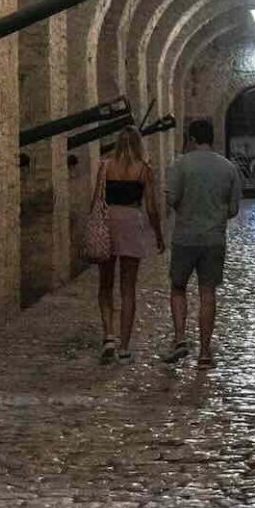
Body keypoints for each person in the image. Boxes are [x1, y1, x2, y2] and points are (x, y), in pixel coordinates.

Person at [163, 118, 244, 365]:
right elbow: (233, 209)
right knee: (207, 293)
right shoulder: (228, 168)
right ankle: (205, 351)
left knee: (178, 288)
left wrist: (186, 207)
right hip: (213, 238)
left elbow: (171, 199)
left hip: (185, 237)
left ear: (192, 139)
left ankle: (179, 338)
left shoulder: (180, 165)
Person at [93, 128, 164, 362]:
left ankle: (109, 337)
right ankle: (124, 347)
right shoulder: (143, 170)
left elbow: (96, 200)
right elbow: (152, 207)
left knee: (105, 284)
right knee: (128, 288)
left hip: (108, 222)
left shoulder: (105, 167)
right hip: (132, 222)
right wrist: (159, 235)